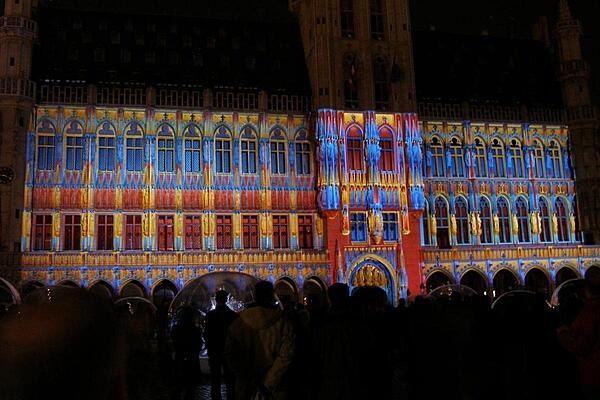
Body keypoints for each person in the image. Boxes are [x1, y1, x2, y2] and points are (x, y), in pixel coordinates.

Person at [224, 280, 295, 400]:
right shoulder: (283, 323)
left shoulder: (238, 323)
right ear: (272, 296)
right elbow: (286, 356)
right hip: (275, 389)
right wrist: (268, 383)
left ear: (255, 296)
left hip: (247, 388)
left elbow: (230, 354)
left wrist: (248, 378)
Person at [557, 266, 600, 400]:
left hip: (594, 375)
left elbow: (580, 346)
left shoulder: (588, 313)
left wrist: (563, 333)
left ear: (587, 290)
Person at [204, 290, 239, 400]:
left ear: (216, 299)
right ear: (227, 299)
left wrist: (208, 345)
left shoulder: (210, 315)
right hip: (228, 350)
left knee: (215, 378)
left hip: (214, 349)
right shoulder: (233, 315)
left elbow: (206, 333)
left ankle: (216, 397)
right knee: (230, 378)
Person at [170, 306, 204, 400]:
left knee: (178, 388)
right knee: (191, 390)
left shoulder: (176, 328)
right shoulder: (195, 330)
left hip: (180, 360)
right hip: (192, 361)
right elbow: (198, 345)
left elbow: (173, 342)